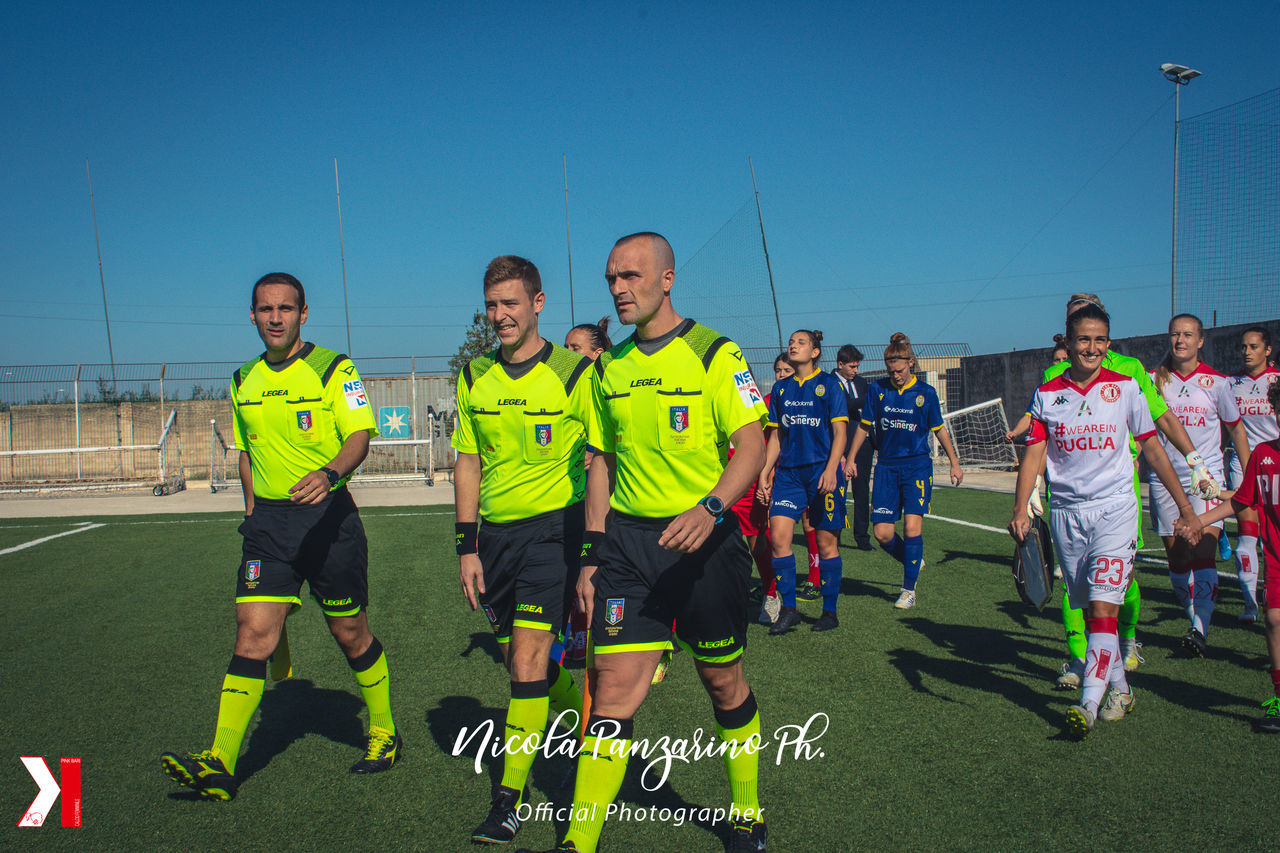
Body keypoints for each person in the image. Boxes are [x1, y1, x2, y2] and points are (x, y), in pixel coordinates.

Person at [520, 232, 768, 853]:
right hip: (629, 546)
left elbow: (753, 442)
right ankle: (579, 841)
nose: (619, 288)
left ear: (667, 279)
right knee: (611, 691)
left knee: (723, 683)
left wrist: (712, 508)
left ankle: (747, 814)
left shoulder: (717, 354)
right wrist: (593, 554)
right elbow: (598, 462)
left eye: (631, 276)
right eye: (611, 278)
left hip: (705, 544)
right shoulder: (609, 369)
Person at [160, 272, 397, 801]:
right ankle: (220, 761)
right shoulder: (242, 379)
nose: (275, 318)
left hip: (329, 522)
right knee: (252, 635)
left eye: (285, 309)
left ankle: (383, 731)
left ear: (303, 313)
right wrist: (250, 510)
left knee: (350, 634)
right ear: (252, 315)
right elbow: (247, 451)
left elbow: (360, 434)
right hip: (268, 527)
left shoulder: (336, 369)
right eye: (265, 309)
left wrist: (331, 473)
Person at [1010, 303, 1202, 738]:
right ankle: (1121, 689)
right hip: (1067, 514)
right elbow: (1035, 453)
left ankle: (1089, 704)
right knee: (1092, 610)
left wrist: (1185, 506)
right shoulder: (1048, 394)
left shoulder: (1127, 387)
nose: (1091, 348)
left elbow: (1152, 448)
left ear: (1108, 344)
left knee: (1101, 607)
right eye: (1083, 339)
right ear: (1068, 342)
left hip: (1116, 509)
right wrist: (1021, 507)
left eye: (1099, 340)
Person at [453, 256, 592, 845]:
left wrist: (593, 546)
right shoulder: (473, 374)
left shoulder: (574, 372)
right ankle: (588, 710)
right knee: (520, 663)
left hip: (552, 532)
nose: (500, 315)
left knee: (528, 661)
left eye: (511, 303)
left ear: (538, 303)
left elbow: (603, 451)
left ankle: (508, 801)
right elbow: (467, 460)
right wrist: (466, 545)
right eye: (492, 305)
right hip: (495, 538)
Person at [1150, 314, 1250, 655]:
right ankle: (1195, 617)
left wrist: (1248, 479)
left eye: (1188, 334)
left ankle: (1198, 628)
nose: (1181, 340)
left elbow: (1236, 431)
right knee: (1178, 559)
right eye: (1175, 334)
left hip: (1206, 481)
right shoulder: (1152, 381)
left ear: (1201, 341)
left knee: (1203, 551)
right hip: (1164, 481)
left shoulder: (1218, 383)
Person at [847, 333, 962, 609]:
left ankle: (908, 590)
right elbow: (864, 426)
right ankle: (912, 559)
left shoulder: (926, 394)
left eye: (899, 370)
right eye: (890, 371)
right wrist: (850, 458)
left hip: (917, 467)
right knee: (883, 534)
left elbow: (940, 430)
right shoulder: (877, 390)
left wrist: (955, 463)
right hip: (886, 467)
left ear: (910, 363)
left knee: (912, 528)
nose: (895, 375)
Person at [1196, 379, 1280, 732]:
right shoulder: (1264, 455)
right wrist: (1198, 520)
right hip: (1276, 558)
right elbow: (1244, 499)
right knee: (1274, 621)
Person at [758, 329, 849, 633]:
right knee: (779, 537)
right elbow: (776, 436)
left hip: (822, 473)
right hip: (789, 475)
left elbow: (840, 434)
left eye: (801, 343)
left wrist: (831, 468)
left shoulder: (830, 385)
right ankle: (788, 608)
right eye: (791, 342)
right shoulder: (782, 388)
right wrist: (765, 471)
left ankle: (829, 611)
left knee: (826, 543)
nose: (793, 346)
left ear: (815, 352)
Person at [734, 353, 793, 625]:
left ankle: (771, 594)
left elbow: (770, 443)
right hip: (714, 480)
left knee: (757, 541)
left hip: (749, 481)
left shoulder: (765, 402)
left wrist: (764, 476)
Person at [1225, 326, 1278, 622]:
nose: (1247, 352)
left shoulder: (1278, 381)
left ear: (1268, 350)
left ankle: (1272, 591)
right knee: (1247, 535)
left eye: (1254, 346)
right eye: (1244, 346)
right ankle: (1250, 604)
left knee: (1274, 537)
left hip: (1274, 465)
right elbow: (1227, 424)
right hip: (1241, 465)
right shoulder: (1231, 383)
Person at [835, 344, 874, 550]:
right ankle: (835, 534)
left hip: (862, 447)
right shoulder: (830, 382)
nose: (855, 371)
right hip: (840, 447)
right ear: (840, 364)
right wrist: (866, 400)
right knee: (838, 491)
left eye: (857, 366)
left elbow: (867, 411)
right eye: (852, 366)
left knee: (862, 492)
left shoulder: (861, 383)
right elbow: (843, 404)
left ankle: (862, 537)